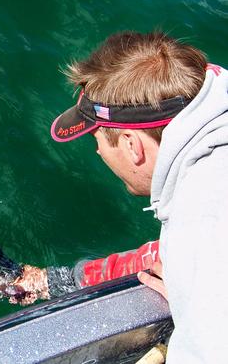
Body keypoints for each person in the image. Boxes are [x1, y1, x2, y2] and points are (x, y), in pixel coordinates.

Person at [11, 31, 228, 363]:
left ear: (131, 146)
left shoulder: (205, 236)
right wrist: (60, 281)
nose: (98, 151)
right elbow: (170, 255)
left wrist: (199, 310)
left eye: (98, 139)